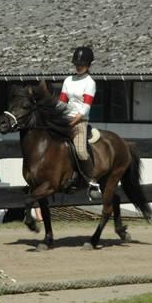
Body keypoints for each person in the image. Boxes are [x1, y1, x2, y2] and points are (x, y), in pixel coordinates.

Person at [58, 46, 101, 198]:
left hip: (80, 120)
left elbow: (86, 108)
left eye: (81, 64)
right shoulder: (68, 80)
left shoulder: (90, 83)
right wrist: (55, 114)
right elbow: (62, 102)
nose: (78, 66)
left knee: (81, 151)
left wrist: (73, 121)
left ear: (88, 65)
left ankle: (92, 181)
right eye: (76, 64)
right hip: (64, 118)